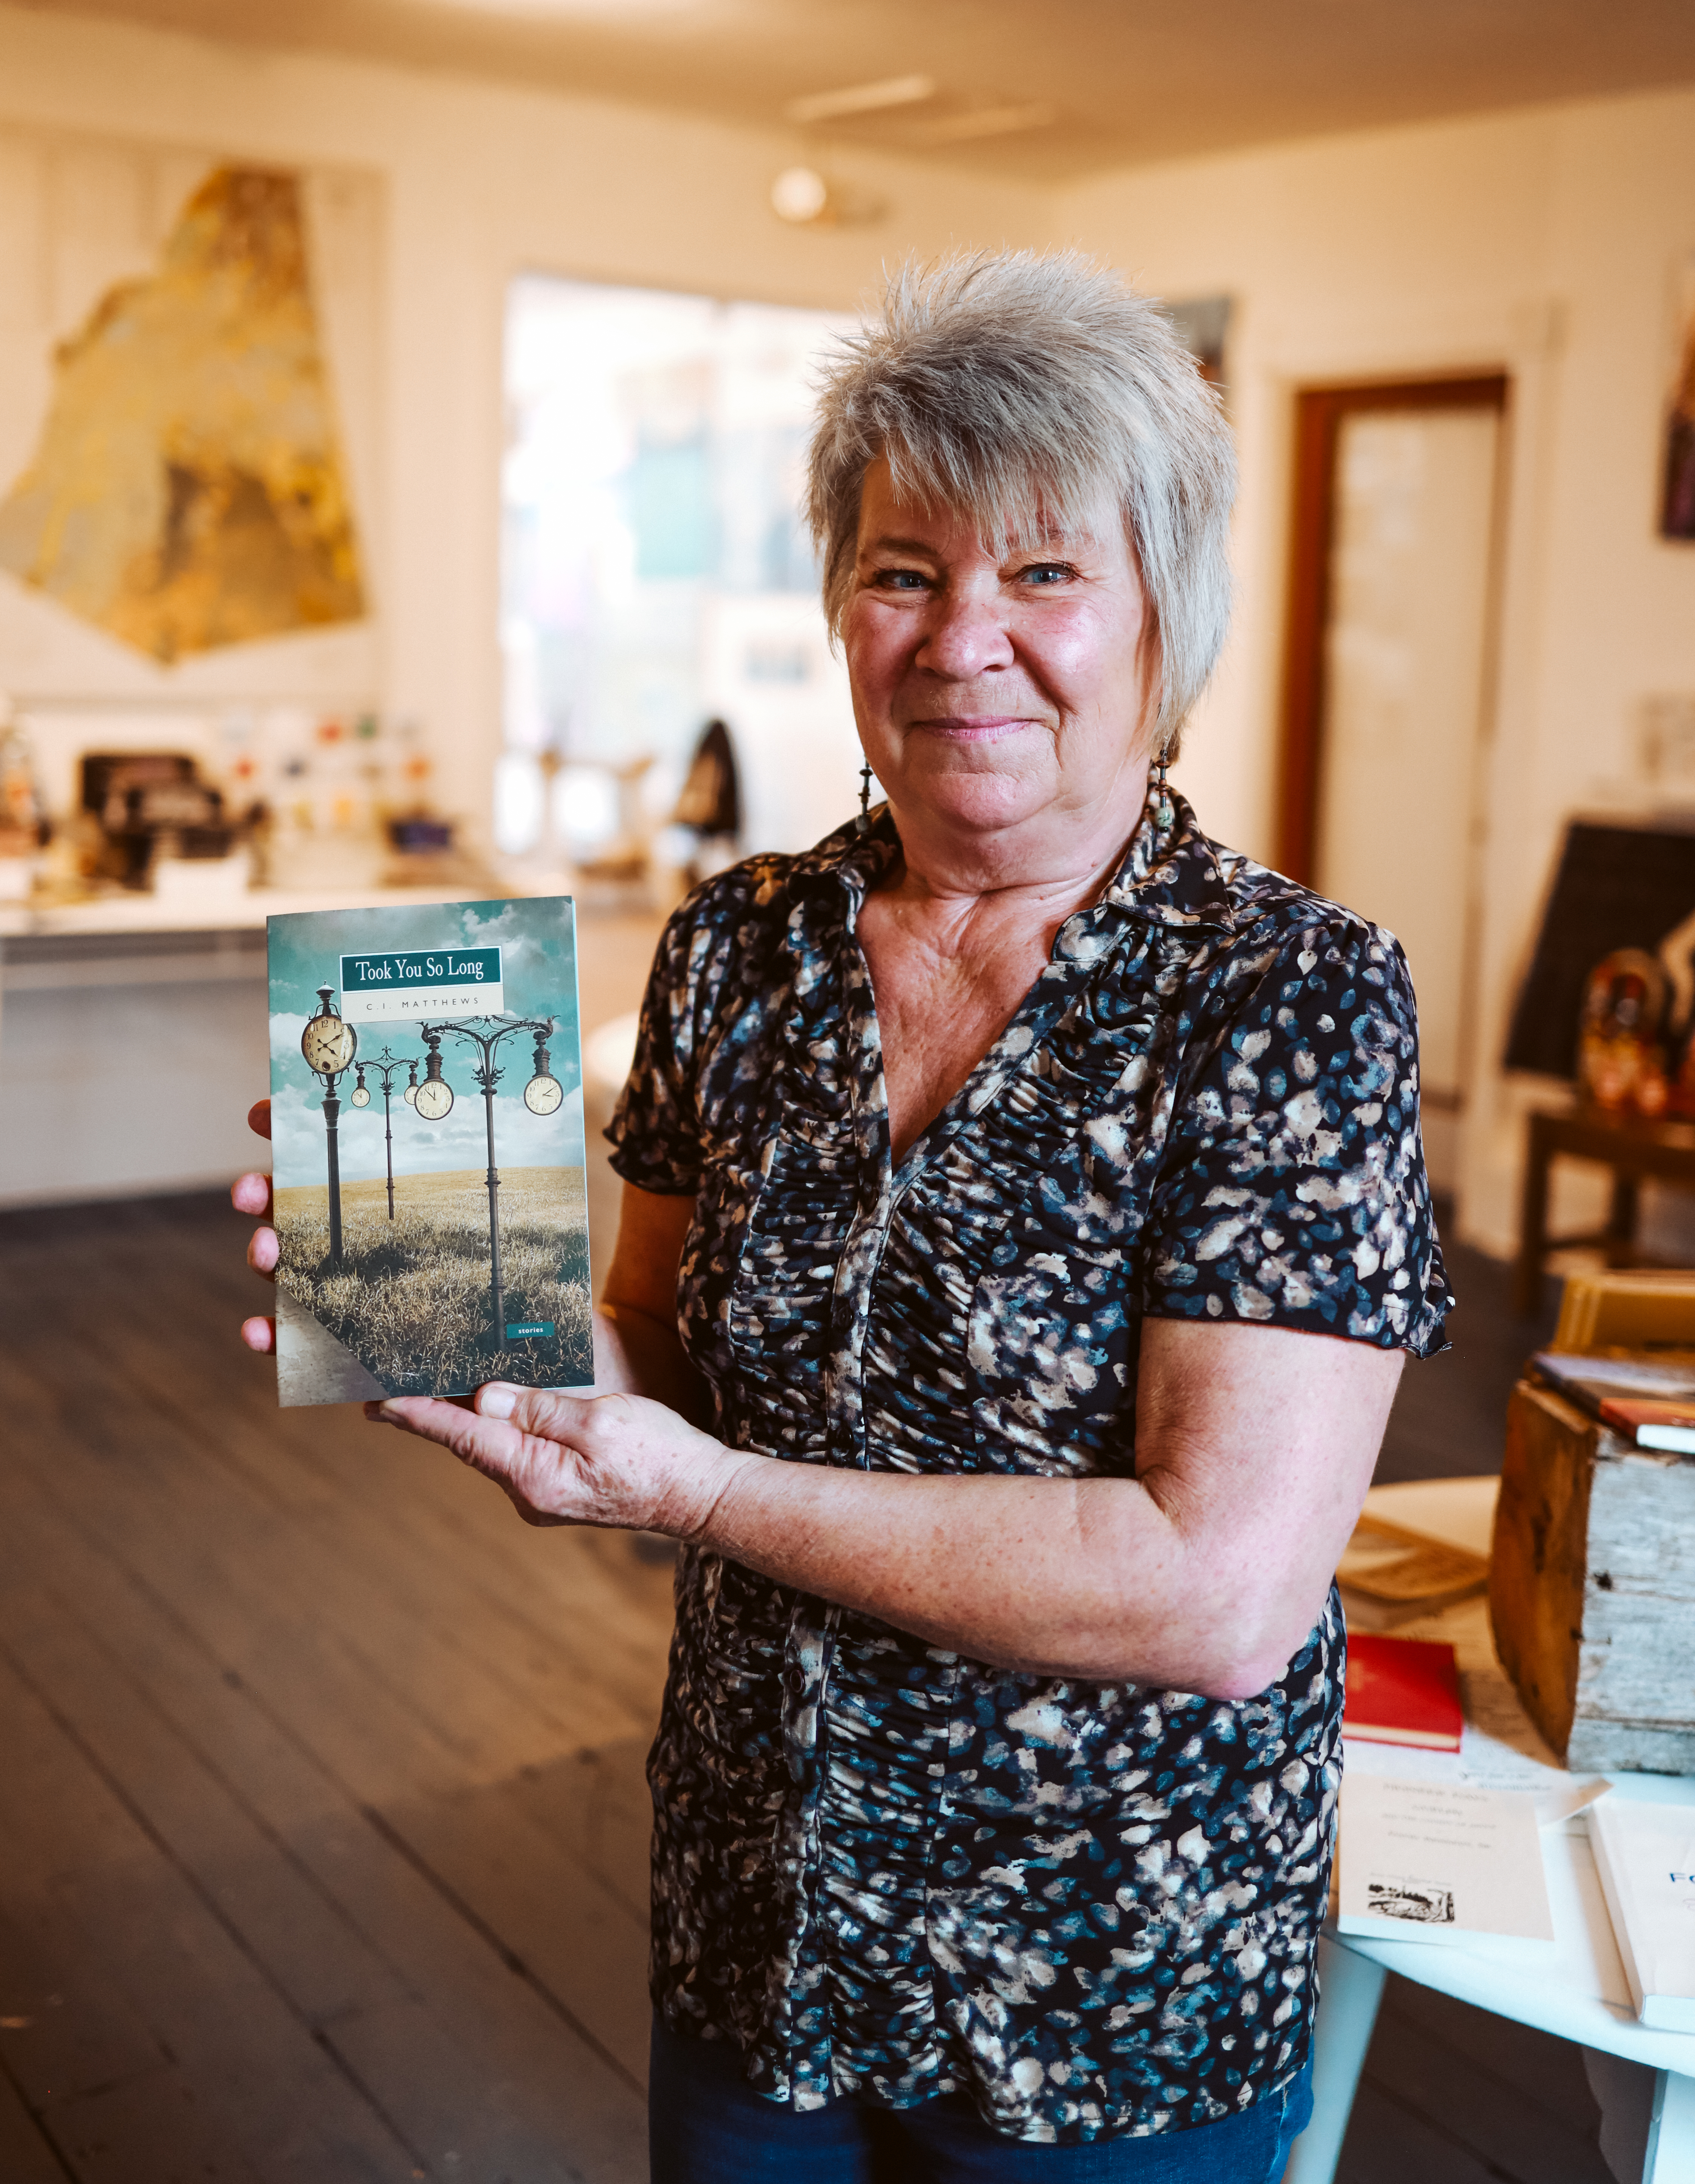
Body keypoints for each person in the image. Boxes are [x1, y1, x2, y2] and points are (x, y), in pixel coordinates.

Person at [235, 250, 1452, 2181]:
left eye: (1045, 573)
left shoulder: (1284, 995)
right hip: (760, 1921)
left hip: (1099, 1981)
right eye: (906, 571)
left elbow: (1219, 1594)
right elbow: (657, 1339)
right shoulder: (741, 943)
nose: (964, 639)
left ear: (1166, 618)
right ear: (840, 608)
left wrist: (698, 1497)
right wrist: (466, 1292)